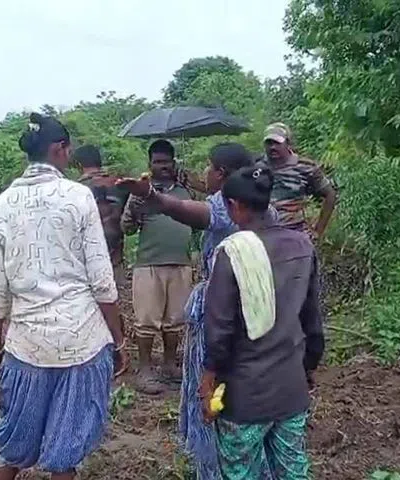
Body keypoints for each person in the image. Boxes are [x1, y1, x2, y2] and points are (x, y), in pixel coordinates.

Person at [0, 113, 128, 480]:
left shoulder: (4, 202)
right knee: (66, 449)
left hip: (26, 343)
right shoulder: (78, 197)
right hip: (81, 340)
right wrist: (119, 338)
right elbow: (101, 279)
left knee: (11, 445)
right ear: (60, 149)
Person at [118, 142, 271, 479]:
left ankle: (220, 461)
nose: (205, 172)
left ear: (222, 174)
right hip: (257, 313)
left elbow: (191, 212)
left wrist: (154, 197)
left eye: (210, 167)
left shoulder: (227, 206)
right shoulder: (264, 207)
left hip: (224, 309)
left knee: (215, 389)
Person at [199, 166, 324, 479]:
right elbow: (312, 321)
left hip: (246, 395)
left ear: (234, 206)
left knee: (241, 471)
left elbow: (219, 330)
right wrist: (308, 368)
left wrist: (208, 381)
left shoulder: (232, 252)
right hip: (290, 387)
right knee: (293, 469)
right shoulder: (302, 245)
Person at [121, 139, 193, 393]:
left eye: (166, 162)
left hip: (181, 263)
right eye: (157, 162)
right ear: (150, 164)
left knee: (176, 319)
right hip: (149, 264)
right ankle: (145, 370)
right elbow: (127, 228)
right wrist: (136, 210)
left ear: (174, 163)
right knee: (147, 320)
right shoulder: (140, 192)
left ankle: (170, 366)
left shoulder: (185, 190)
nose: (162, 166)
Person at [261, 123, 338, 239]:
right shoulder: (256, 167)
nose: (272, 147)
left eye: (277, 143)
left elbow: (330, 194)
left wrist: (318, 231)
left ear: (288, 143)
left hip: (295, 234)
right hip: (264, 235)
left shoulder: (305, 166)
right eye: (269, 143)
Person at [74, 145, 130, 295]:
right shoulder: (119, 184)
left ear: (78, 165)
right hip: (116, 257)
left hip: (86, 262)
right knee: (116, 300)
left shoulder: (74, 189)